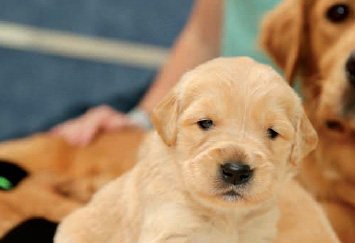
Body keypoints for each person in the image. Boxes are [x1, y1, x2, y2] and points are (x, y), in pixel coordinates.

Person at [51, 0, 280, 146]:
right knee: (57, 143)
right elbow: (203, 38)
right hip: (205, 96)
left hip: (277, 132)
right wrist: (143, 119)